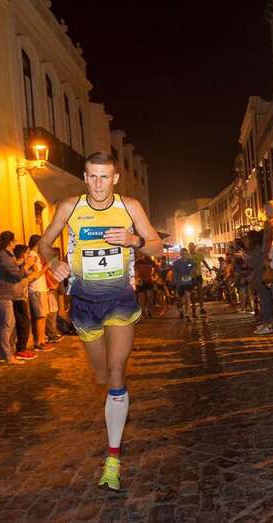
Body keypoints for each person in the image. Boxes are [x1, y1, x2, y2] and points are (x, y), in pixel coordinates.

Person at [38, 151, 162, 491]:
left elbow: (157, 247)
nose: (98, 184)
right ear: (85, 175)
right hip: (84, 304)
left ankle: (112, 459)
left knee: (117, 371)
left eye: (104, 176)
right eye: (92, 176)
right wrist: (53, 262)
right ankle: (113, 426)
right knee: (101, 375)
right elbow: (44, 244)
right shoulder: (69, 207)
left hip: (120, 300)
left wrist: (134, 240)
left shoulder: (130, 206)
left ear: (115, 178)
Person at [0, 232, 28, 365]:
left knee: (5, 325)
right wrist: (26, 266)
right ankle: (7, 355)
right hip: (4, 294)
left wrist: (20, 263)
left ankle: (3, 353)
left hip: (3, 294)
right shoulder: (4, 255)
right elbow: (16, 275)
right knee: (8, 325)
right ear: (11, 242)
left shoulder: (0, 254)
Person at [11, 244, 38, 359]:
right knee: (23, 324)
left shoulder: (20, 265)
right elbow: (21, 280)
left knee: (24, 323)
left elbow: (28, 278)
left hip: (22, 296)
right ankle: (20, 349)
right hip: (17, 297)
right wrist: (28, 266)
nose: (28, 255)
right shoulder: (17, 265)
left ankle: (22, 348)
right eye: (27, 253)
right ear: (22, 254)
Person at [26, 235, 51, 352]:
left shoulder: (36, 255)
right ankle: (38, 342)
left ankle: (42, 340)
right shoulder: (32, 255)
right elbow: (36, 274)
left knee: (43, 316)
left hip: (41, 289)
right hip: (35, 289)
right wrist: (46, 266)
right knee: (39, 316)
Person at [187, 242, 211, 316]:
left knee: (200, 292)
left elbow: (204, 262)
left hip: (198, 276)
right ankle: (193, 306)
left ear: (194, 247)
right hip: (191, 277)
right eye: (189, 247)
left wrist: (209, 268)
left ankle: (201, 308)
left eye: (192, 247)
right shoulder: (187, 257)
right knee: (192, 293)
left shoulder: (199, 255)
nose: (190, 248)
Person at [172, 248, 195, 320]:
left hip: (188, 282)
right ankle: (181, 309)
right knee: (181, 299)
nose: (183, 255)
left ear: (186, 254)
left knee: (187, 297)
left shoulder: (190, 261)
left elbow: (193, 270)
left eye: (185, 254)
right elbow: (175, 273)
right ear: (180, 254)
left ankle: (187, 313)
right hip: (180, 283)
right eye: (182, 254)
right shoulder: (176, 263)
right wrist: (176, 281)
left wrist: (191, 275)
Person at [134, 252, 156, 318]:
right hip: (140, 282)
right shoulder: (138, 262)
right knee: (142, 298)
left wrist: (155, 277)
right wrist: (136, 279)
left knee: (150, 296)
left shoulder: (151, 262)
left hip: (149, 281)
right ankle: (143, 311)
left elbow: (156, 270)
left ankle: (148, 309)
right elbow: (134, 271)